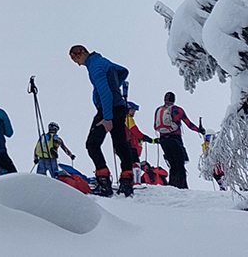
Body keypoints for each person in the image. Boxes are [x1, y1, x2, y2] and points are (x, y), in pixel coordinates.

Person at [69, 44, 138, 197]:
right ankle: (126, 182)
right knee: (120, 144)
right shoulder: (102, 61)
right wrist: (115, 87)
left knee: (92, 144)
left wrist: (107, 118)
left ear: (80, 53)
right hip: (119, 107)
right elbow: (124, 71)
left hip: (109, 109)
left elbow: (105, 93)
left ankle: (104, 183)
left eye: (76, 60)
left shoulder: (94, 66)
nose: (78, 64)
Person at [153, 91, 205, 189]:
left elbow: (155, 126)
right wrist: (199, 130)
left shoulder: (158, 110)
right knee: (180, 164)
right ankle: (182, 187)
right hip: (175, 139)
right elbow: (189, 124)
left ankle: (172, 186)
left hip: (163, 140)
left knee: (172, 165)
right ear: (174, 100)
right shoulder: (177, 110)